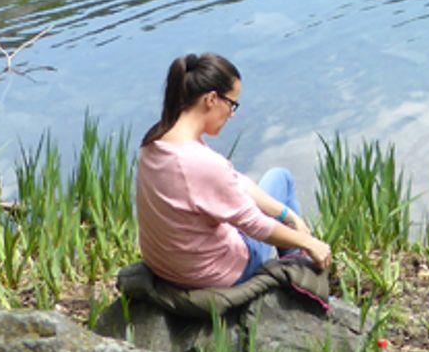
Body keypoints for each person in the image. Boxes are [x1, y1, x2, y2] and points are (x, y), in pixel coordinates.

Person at [134, 52, 333, 288]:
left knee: (270, 190)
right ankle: (299, 270)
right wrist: (308, 242)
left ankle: (296, 255)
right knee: (282, 178)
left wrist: (289, 217)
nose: (232, 114)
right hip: (214, 273)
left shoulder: (156, 141)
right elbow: (256, 225)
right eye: (231, 104)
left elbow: (235, 181)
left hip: (167, 267)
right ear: (211, 99)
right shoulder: (201, 162)